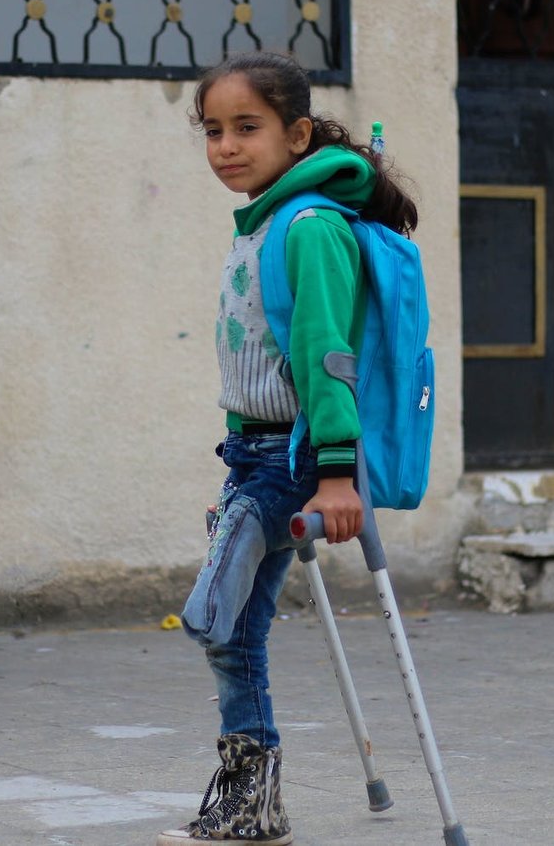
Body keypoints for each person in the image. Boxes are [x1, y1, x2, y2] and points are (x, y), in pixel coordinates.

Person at [158, 51, 419, 845]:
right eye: (213, 131)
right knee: (237, 633)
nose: (227, 146)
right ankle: (250, 802)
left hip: (298, 457)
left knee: (213, 618)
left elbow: (327, 357)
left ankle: (232, 547)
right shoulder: (260, 224)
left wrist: (337, 476)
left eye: (248, 128)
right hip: (249, 454)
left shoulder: (308, 229)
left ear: (297, 134)